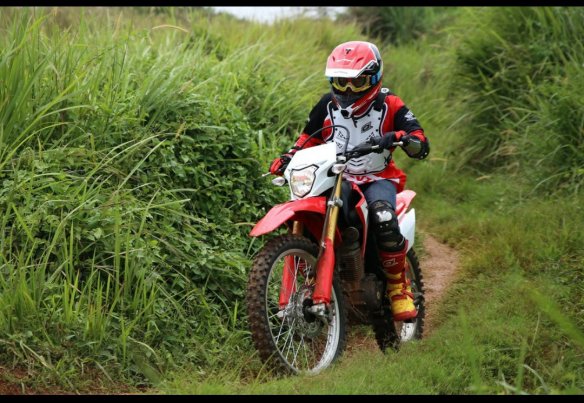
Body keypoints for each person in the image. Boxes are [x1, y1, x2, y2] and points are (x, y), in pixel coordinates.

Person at [269, 40, 430, 321]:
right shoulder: (326, 105)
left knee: (383, 217)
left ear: (374, 78)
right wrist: (289, 157)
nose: (347, 90)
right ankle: (311, 279)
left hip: (376, 177)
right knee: (308, 213)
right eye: (340, 82)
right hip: (334, 175)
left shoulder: (390, 104)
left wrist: (405, 139)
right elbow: (308, 138)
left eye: (356, 83)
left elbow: (420, 141)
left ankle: (398, 287)